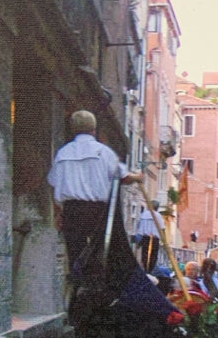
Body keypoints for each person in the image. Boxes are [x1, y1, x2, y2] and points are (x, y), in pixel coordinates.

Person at [47, 109, 142, 270]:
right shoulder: (104, 152)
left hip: (72, 211)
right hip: (97, 212)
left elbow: (53, 183)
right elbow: (124, 177)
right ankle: (94, 288)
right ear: (94, 129)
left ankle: (78, 286)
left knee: (76, 257)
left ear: (73, 129)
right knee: (100, 256)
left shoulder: (63, 153)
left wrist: (58, 212)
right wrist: (138, 177)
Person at [137, 200, 165, 274]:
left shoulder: (144, 214)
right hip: (155, 239)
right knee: (153, 256)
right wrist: (164, 239)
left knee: (145, 255)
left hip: (145, 238)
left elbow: (141, 228)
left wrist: (139, 240)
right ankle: (149, 271)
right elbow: (162, 228)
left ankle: (146, 270)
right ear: (157, 207)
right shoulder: (158, 216)